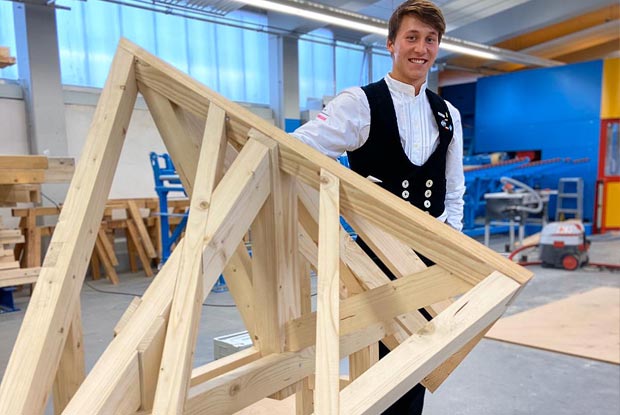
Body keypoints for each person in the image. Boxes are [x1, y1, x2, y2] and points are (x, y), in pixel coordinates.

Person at [291, 1, 465, 413]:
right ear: (391, 43)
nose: (421, 48)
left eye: (430, 40)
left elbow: (454, 187)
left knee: (421, 357)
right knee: (378, 362)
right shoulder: (359, 103)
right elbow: (299, 148)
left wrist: (452, 245)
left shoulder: (448, 114)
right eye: (411, 37)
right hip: (376, 254)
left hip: (429, 255)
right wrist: (345, 188)